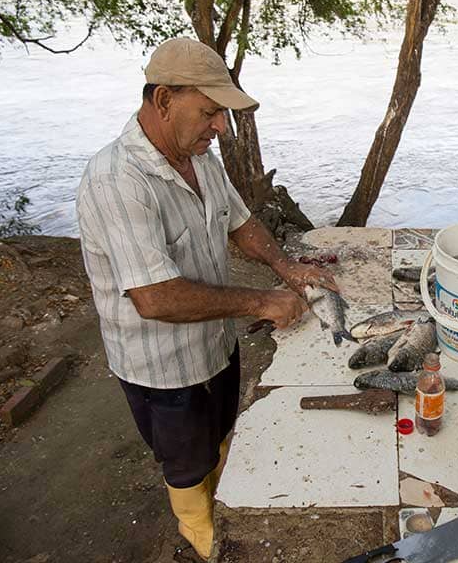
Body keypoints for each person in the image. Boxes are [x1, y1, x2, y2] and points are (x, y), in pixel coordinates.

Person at [75, 37, 336, 559]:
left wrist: (285, 266)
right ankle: (200, 534)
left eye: (221, 115)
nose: (220, 127)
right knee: (186, 461)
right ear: (164, 99)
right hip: (161, 366)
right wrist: (263, 303)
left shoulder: (200, 159)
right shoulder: (117, 180)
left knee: (219, 430)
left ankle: (220, 493)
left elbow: (240, 222)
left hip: (215, 344)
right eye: (210, 112)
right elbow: (154, 298)